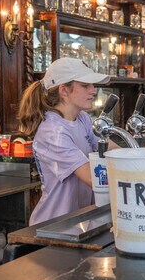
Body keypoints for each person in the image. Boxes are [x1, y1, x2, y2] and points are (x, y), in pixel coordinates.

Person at [17, 57, 114, 225]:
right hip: (55, 224)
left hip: (80, 219)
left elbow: (105, 147)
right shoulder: (52, 131)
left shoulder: (81, 118)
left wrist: (140, 150)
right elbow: (92, 177)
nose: (93, 90)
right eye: (85, 85)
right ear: (64, 91)